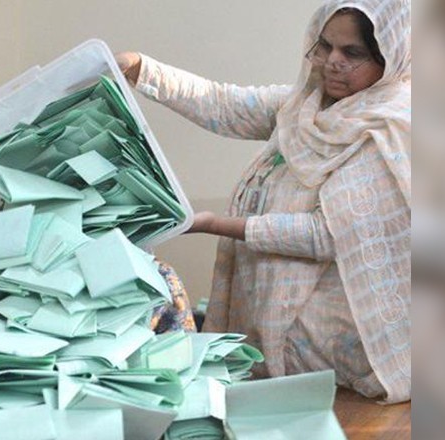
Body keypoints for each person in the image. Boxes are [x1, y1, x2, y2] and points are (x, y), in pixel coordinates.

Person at [116, 0, 410, 403]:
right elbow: (223, 104)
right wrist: (141, 69)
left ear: (389, 58)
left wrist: (214, 224)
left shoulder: (391, 128)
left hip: (332, 340)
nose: (332, 62)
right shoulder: (305, 105)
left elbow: (328, 235)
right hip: (271, 310)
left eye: (352, 53)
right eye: (324, 47)